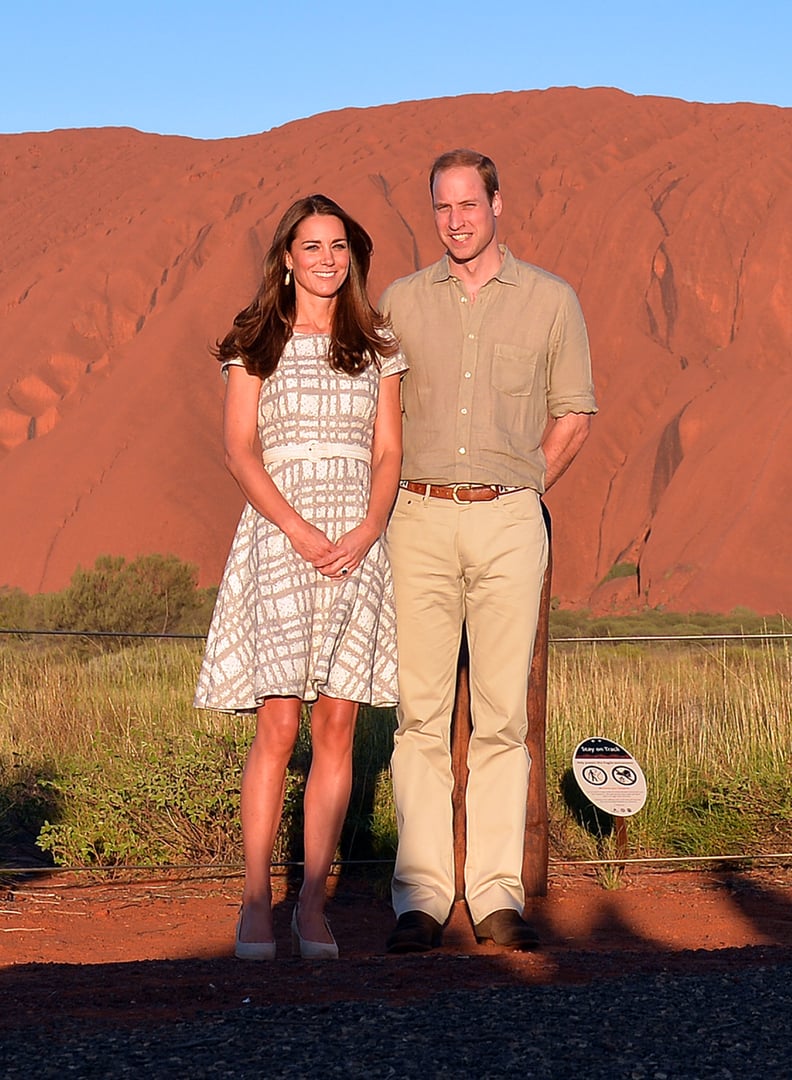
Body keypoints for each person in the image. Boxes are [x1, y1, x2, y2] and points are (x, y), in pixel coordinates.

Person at [381, 149, 597, 953]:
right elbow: (380, 416)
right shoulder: (400, 304)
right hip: (420, 516)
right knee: (420, 715)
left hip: (509, 516)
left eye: (470, 204)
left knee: (504, 716)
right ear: (431, 211)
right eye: (442, 207)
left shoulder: (550, 301)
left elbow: (573, 412)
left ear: (498, 204)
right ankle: (422, 897)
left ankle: (497, 893)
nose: (457, 220)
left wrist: (525, 486)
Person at [195, 194, 406, 961]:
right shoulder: (256, 341)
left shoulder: (378, 344)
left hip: (357, 542)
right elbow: (239, 449)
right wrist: (298, 528)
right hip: (281, 538)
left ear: (352, 255)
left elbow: (388, 452)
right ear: (285, 257)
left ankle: (310, 907)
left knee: (339, 726)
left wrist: (368, 528)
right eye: (311, 246)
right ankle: (257, 901)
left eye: (338, 245)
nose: (326, 258)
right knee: (278, 725)